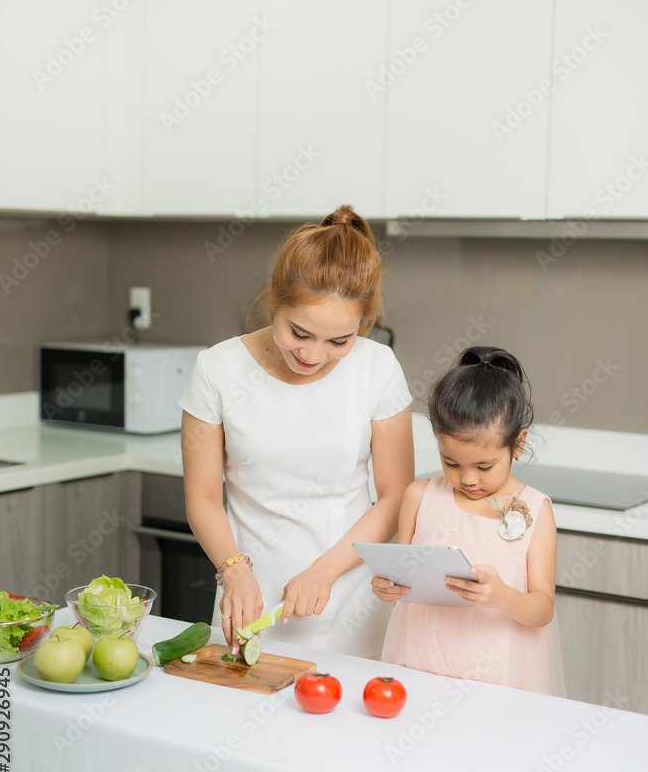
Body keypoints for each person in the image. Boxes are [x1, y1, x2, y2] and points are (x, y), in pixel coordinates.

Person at [178, 205, 414, 658]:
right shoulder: (218, 369)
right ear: (274, 301)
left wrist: (324, 571)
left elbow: (394, 496)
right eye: (299, 332)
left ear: (361, 327)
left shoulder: (377, 368)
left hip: (348, 593)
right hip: (248, 595)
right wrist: (235, 573)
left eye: (338, 342)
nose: (313, 354)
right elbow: (203, 497)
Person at [373, 346, 565, 695]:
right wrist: (387, 587)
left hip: (496, 678)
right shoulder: (419, 496)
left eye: (484, 466)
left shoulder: (536, 510)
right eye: (451, 462)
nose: (468, 479)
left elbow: (542, 610)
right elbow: (400, 577)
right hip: (419, 664)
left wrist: (503, 597)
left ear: (517, 445)